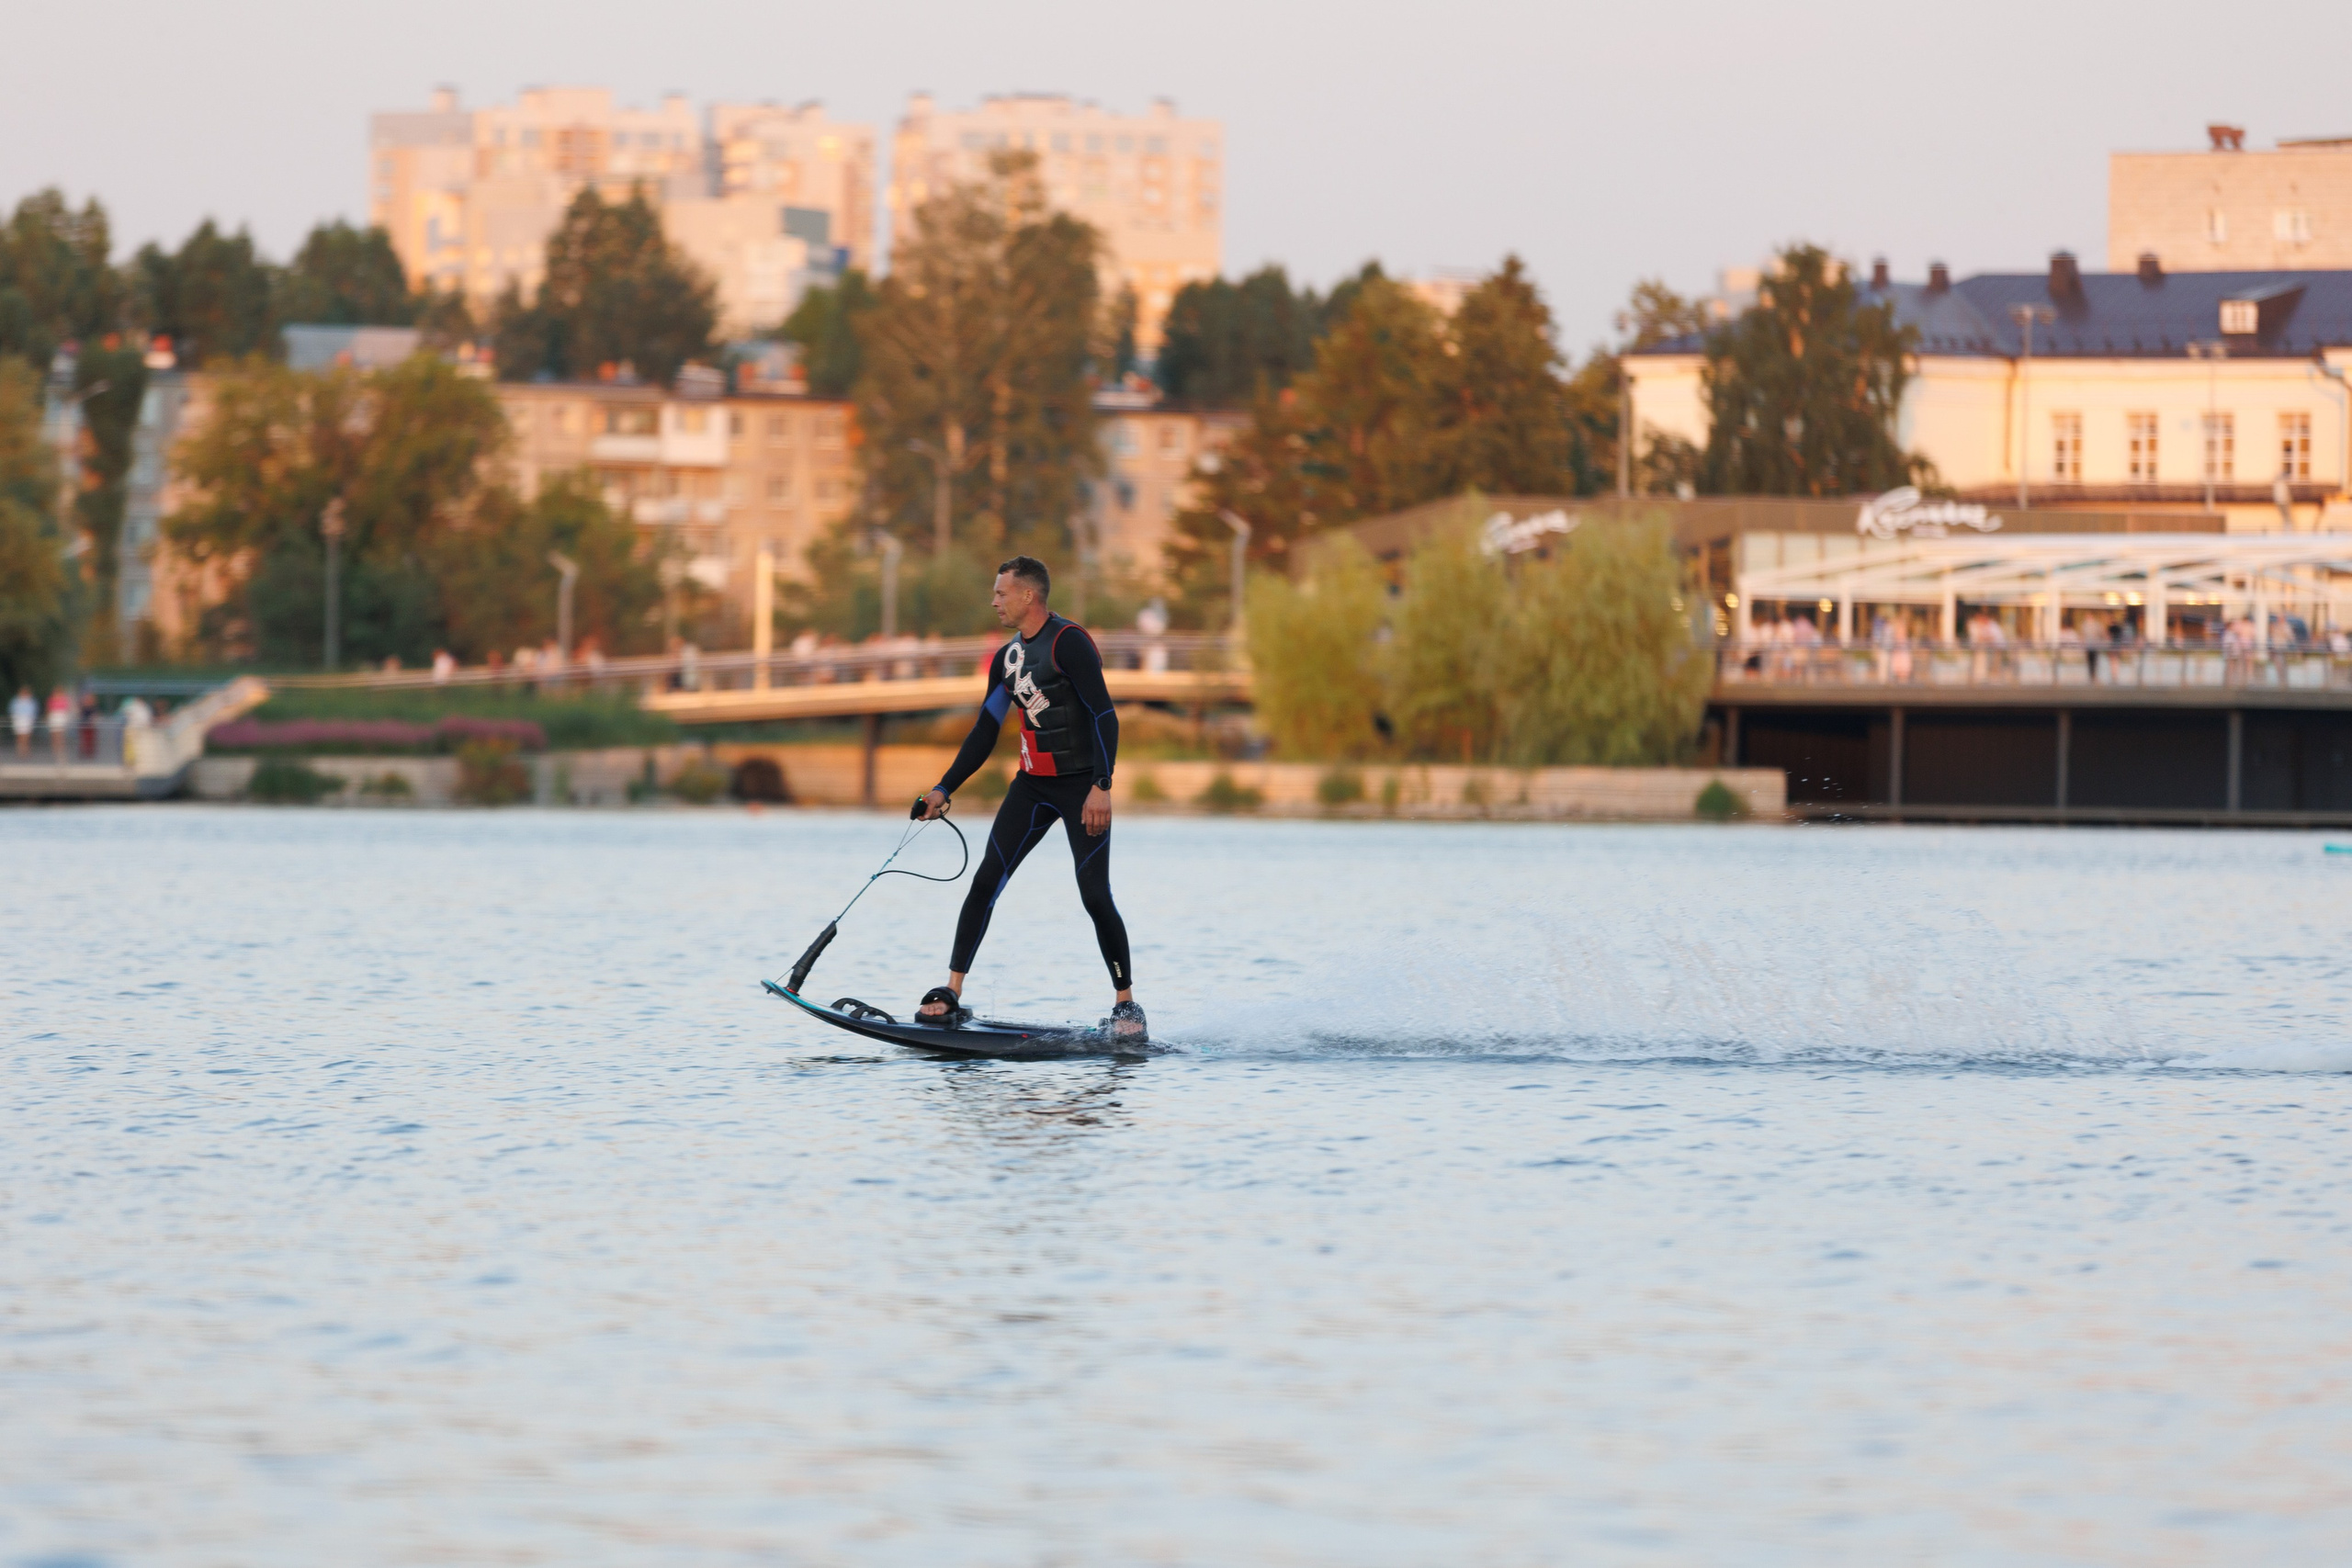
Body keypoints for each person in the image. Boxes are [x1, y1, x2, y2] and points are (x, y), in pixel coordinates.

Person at [913, 555, 1143, 1039]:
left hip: (1082, 788)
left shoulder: (1069, 642)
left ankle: (1126, 1006)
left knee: (1094, 895)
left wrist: (1102, 786)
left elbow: (1105, 715)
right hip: (1033, 787)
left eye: (1001, 593)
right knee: (985, 882)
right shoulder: (1007, 659)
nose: (994, 601)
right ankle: (952, 991)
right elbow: (984, 731)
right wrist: (942, 788)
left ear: (1028, 595)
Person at [9, 685, 32, 758]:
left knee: (26, 737)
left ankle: (25, 751)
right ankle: (20, 751)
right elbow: (12, 710)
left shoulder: (30, 701)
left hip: (27, 720)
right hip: (18, 719)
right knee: (19, 737)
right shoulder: (16, 701)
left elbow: (33, 711)